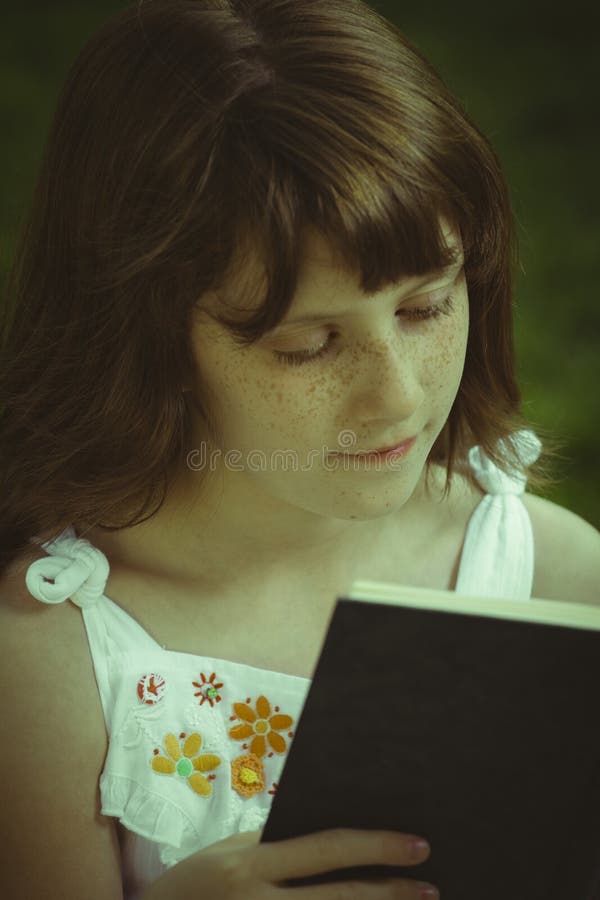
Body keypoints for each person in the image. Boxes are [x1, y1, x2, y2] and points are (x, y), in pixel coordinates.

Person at [1, 0, 599, 898]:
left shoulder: (550, 578)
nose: (397, 395)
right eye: (306, 345)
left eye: (427, 306)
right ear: (143, 338)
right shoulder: (49, 662)